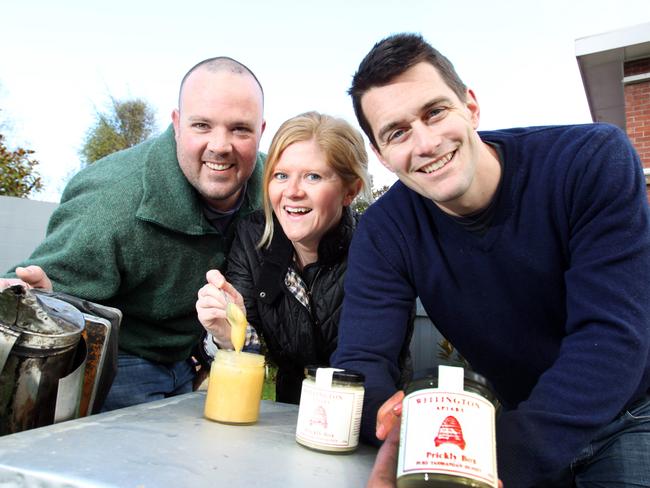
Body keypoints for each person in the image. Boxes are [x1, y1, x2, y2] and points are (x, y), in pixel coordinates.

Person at [331, 33, 650, 487]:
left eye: (435, 112)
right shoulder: (386, 230)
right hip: (520, 418)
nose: (425, 143)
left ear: (471, 106)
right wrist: (397, 427)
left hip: (633, 412)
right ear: (382, 155)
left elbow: (612, 337)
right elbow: (363, 363)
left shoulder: (590, 162)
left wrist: (493, 457)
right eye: (397, 132)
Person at [0, 56, 266, 411]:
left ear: (261, 130)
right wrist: (40, 296)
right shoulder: (111, 203)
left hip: (198, 360)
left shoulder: (278, 191)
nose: (220, 145)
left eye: (240, 129)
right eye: (202, 125)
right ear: (176, 124)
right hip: (123, 361)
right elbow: (29, 296)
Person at [196, 111, 411, 403]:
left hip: (365, 415)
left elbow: (374, 364)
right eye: (281, 175)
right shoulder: (253, 240)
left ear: (350, 191)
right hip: (288, 417)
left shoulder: (378, 249)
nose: (292, 192)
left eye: (313, 176)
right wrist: (227, 331)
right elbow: (248, 353)